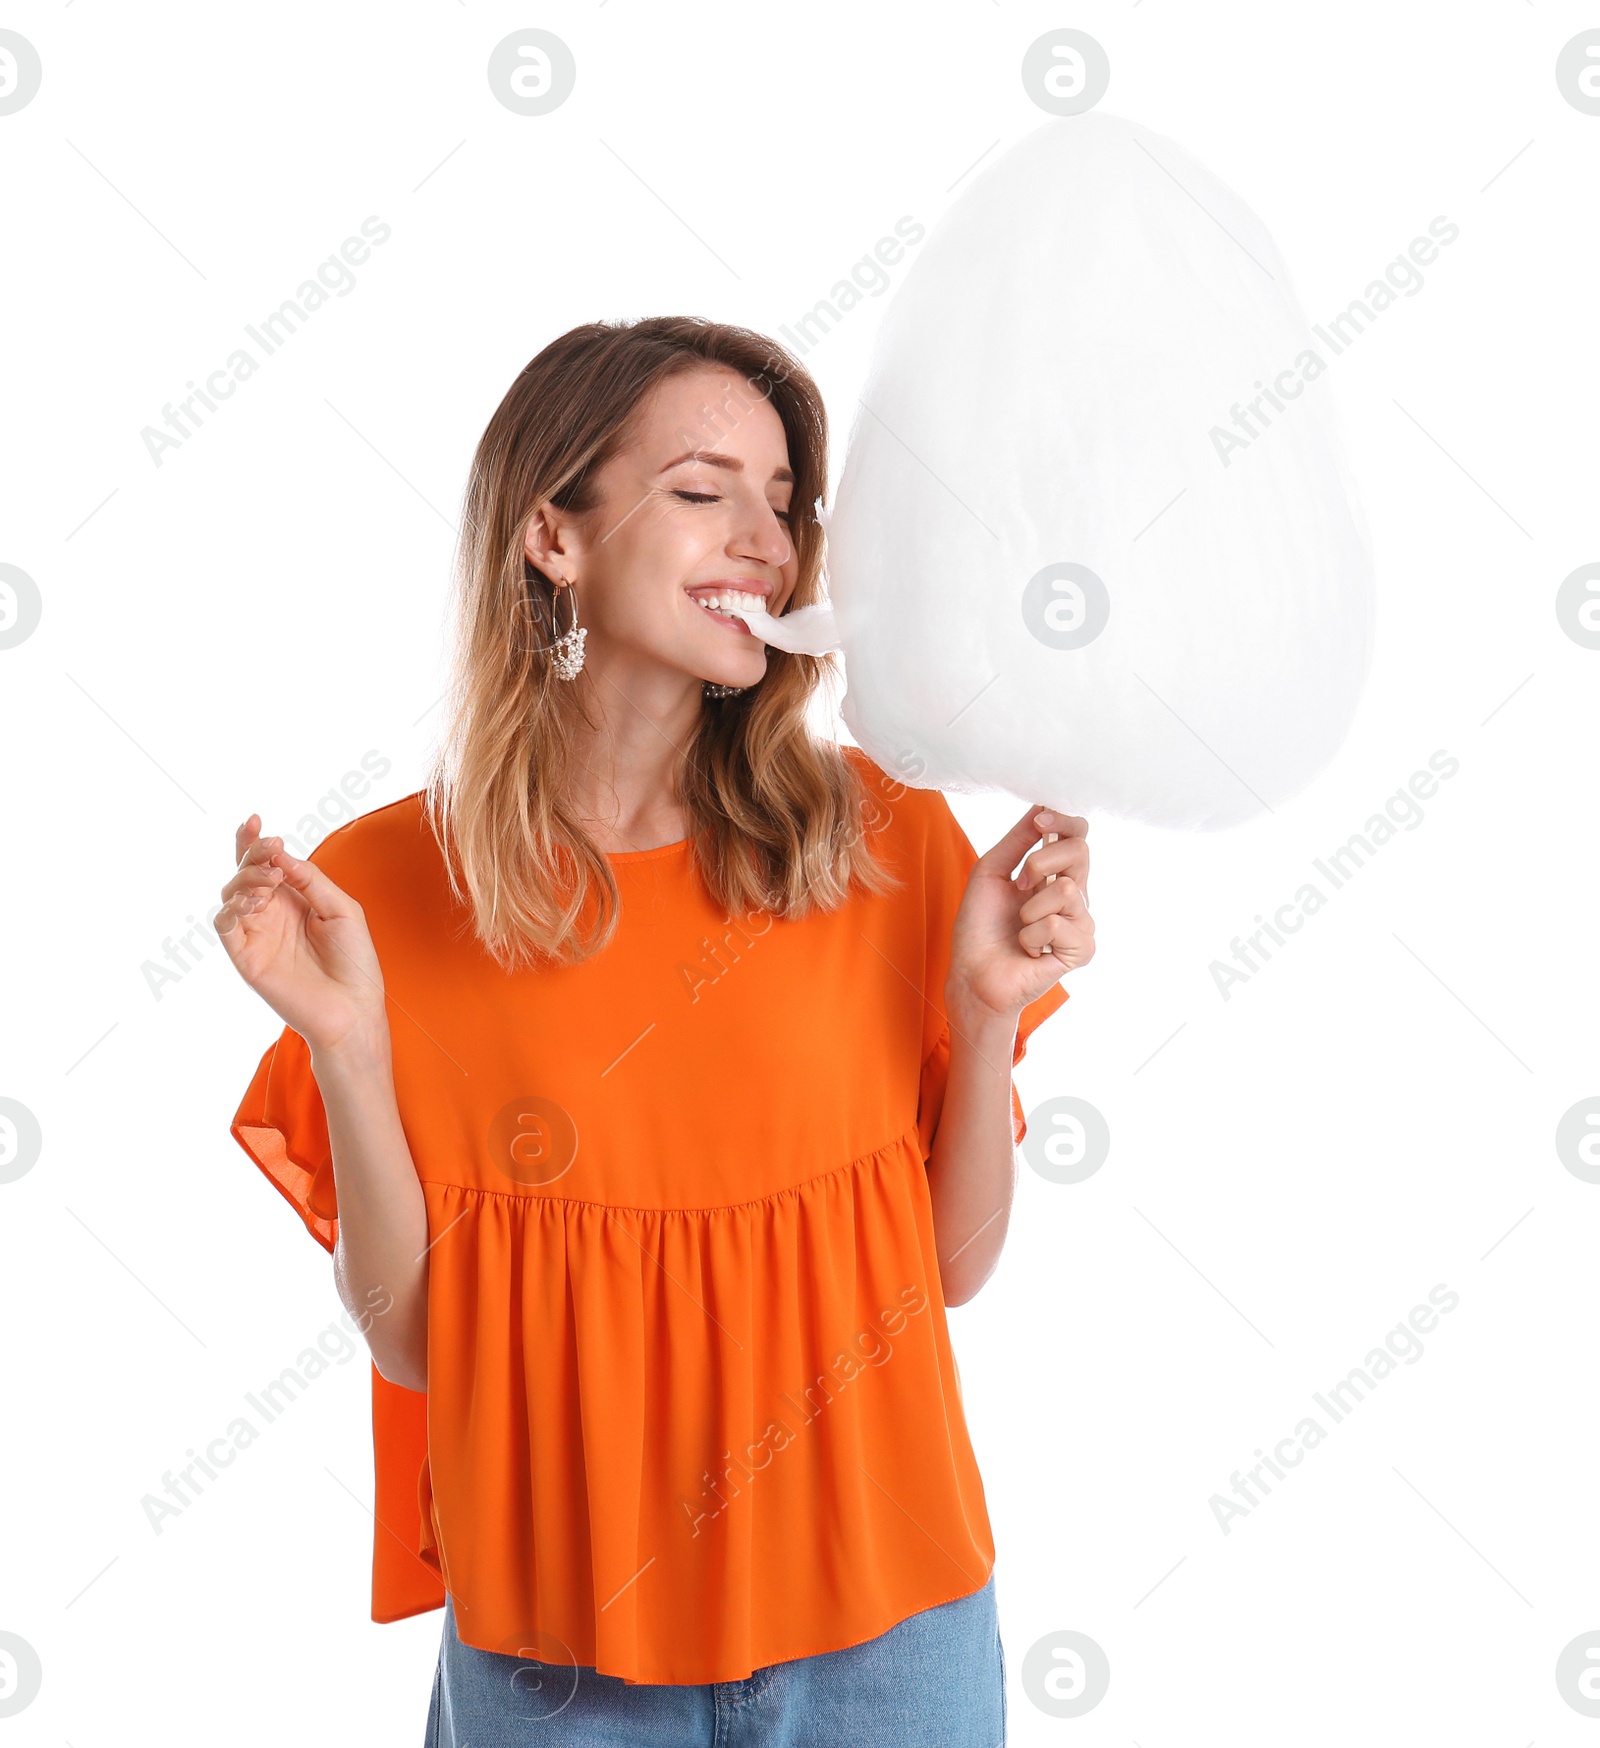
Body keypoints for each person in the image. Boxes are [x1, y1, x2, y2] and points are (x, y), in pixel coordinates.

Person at [219, 316, 1093, 1746]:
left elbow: (949, 1274)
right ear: (551, 533)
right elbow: (417, 1345)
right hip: (563, 1669)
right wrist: (350, 1049)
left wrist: (983, 1016)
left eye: (783, 502)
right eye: (702, 492)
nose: (766, 540)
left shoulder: (889, 845)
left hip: (894, 1647)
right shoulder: (380, 895)